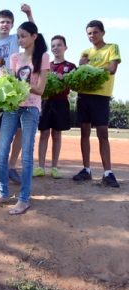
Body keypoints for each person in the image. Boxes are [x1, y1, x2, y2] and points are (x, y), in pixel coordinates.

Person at [0, 21, 49, 215]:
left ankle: (23, 199)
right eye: (19, 36)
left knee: (27, 156)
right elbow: (10, 86)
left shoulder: (43, 57)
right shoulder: (14, 57)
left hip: (31, 109)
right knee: (2, 153)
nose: (20, 40)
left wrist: (21, 84)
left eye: (24, 36)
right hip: (12, 108)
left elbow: (40, 89)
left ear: (34, 37)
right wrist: (4, 76)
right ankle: (4, 193)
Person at [0, 5, 35, 185]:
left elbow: (33, 31)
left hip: (16, 89)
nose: (5, 25)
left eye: (8, 22)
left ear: (13, 25)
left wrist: (29, 14)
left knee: (19, 131)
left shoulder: (16, 39)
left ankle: (12, 167)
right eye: (2, 22)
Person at [72, 20, 121, 187]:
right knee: (84, 132)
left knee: (102, 133)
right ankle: (86, 170)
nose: (92, 36)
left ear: (103, 33)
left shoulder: (112, 47)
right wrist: (81, 67)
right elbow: (80, 72)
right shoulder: (85, 52)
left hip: (101, 96)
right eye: (89, 33)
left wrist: (92, 69)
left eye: (95, 32)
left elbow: (112, 68)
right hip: (84, 96)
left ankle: (108, 173)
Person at [34, 36, 76, 179]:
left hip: (61, 102)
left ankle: (54, 167)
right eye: (53, 46)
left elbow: (74, 84)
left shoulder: (71, 66)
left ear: (65, 47)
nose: (56, 48)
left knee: (57, 135)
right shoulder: (47, 65)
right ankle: (40, 167)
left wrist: (63, 78)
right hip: (45, 102)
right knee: (44, 134)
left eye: (59, 45)